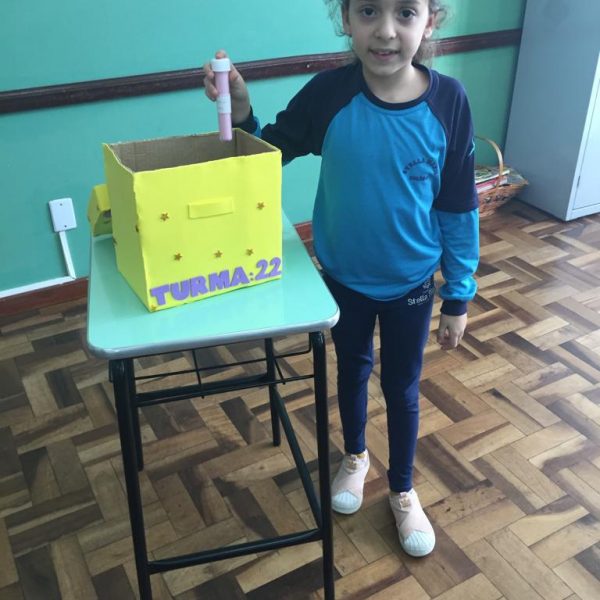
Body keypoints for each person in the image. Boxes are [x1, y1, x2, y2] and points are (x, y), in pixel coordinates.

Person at [204, 0, 479, 558]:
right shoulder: (329, 94)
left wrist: (459, 293)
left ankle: (402, 489)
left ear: (430, 20)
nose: (385, 30)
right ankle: (356, 457)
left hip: (412, 284)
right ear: (346, 19)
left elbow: (457, 204)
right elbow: (265, 156)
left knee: (402, 388)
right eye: (368, 11)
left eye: (406, 13)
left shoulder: (449, 101)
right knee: (352, 369)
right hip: (343, 280)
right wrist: (242, 110)